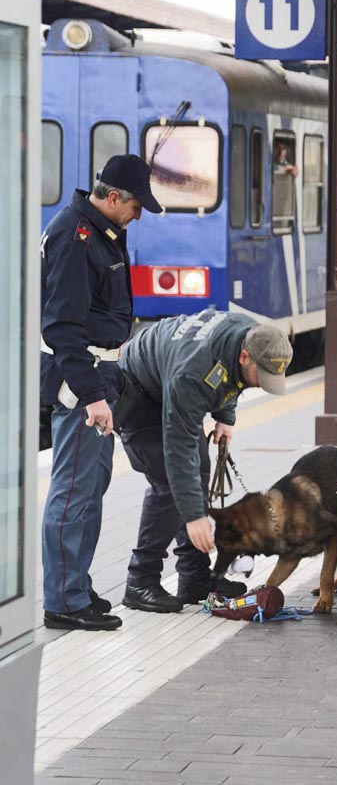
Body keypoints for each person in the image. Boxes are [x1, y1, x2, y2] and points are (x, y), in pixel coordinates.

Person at [39, 155, 161, 631]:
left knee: (91, 486)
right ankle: (64, 602)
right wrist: (91, 395)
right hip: (81, 379)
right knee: (73, 491)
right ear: (113, 198)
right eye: (136, 205)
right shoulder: (77, 238)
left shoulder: (101, 232)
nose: (139, 214)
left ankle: (75, 586)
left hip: (99, 377)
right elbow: (62, 327)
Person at [117, 310, 293, 612]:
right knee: (168, 484)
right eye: (261, 376)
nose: (262, 384)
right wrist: (194, 517)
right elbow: (177, 447)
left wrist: (225, 417)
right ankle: (140, 581)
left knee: (198, 470)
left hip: (170, 382)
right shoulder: (193, 373)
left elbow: (235, 381)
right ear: (244, 357)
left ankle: (194, 578)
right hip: (138, 391)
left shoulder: (252, 334)